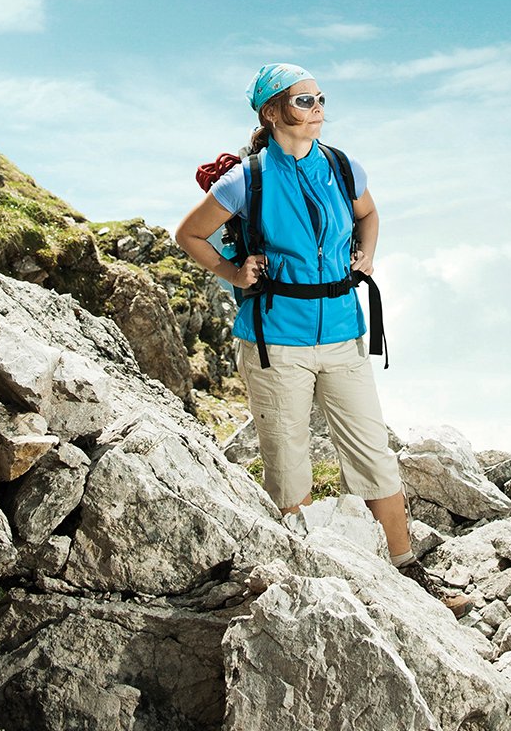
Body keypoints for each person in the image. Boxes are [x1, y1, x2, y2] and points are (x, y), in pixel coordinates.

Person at [176, 64, 465, 609]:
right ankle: (306, 592)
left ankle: (408, 580)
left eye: (320, 98)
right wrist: (235, 273)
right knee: (288, 465)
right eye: (304, 101)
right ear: (271, 112)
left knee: (373, 455)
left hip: (343, 331)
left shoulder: (342, 165)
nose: (318, 108)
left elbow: (370, 214)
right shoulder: (247, 178)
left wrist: (368, 254)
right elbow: (188, 233)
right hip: (274, 341)